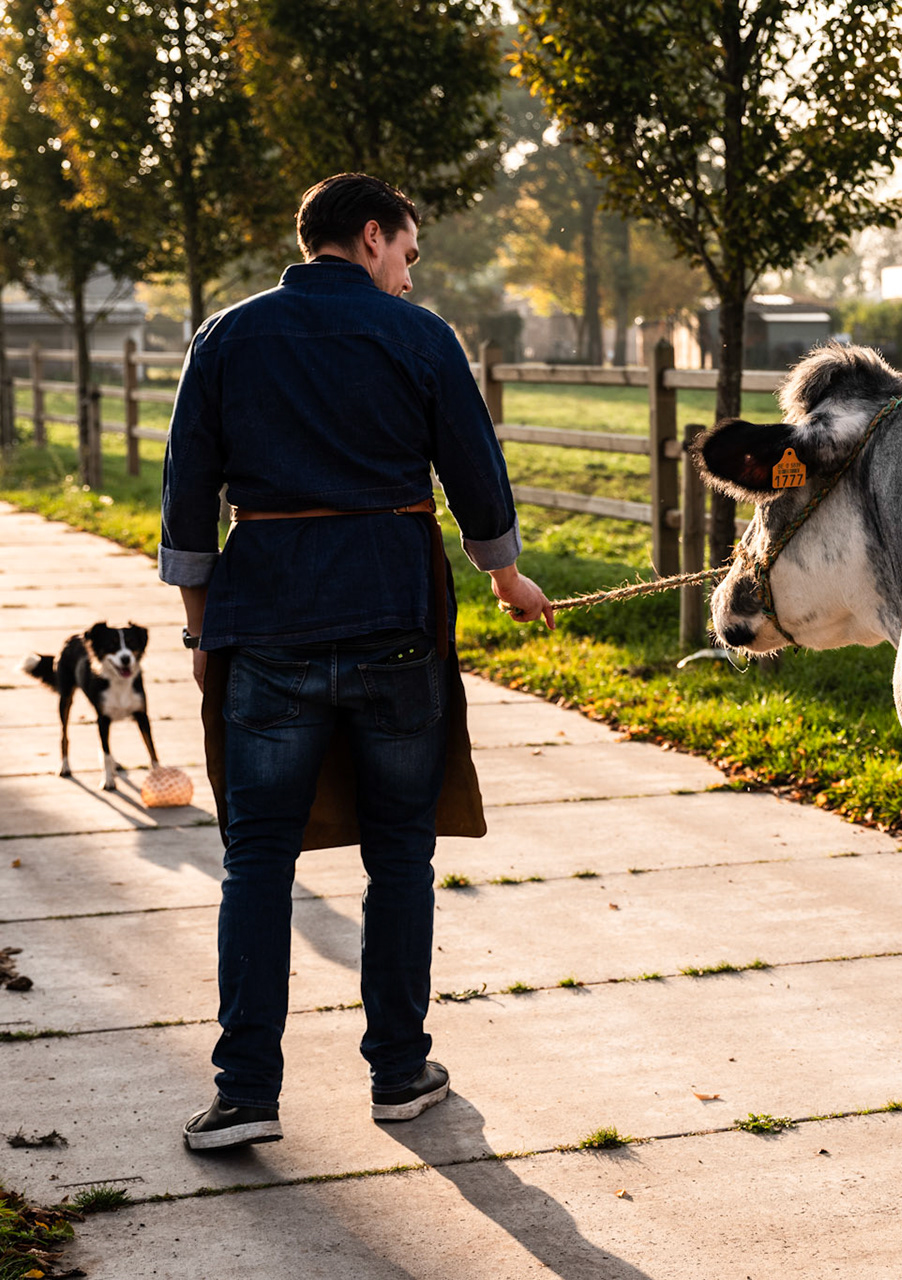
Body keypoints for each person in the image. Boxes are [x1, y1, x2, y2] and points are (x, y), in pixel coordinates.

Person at [160, 173, 554, 1151]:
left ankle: (244, 1088)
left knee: (256, 859)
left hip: (266, 625)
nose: (411, 278)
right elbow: (474, 469)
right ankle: (397, 1071)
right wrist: (507, 578)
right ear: (371, 238)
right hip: (394, 621)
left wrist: (203, 626)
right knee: (400, 854)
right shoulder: (417, 339)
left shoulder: (227, 336)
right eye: (408, 255)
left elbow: (186, 490)